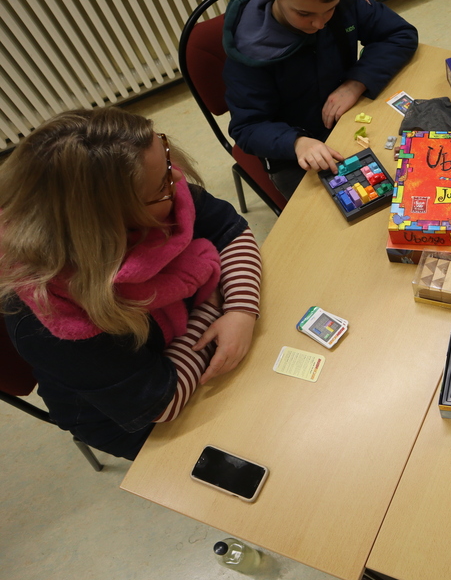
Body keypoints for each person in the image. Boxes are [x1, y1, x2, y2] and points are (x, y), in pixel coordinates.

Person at [1, 108, 262, 460]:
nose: (177, 178)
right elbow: (161, 402)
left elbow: (230, 232)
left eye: (166, 157)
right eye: (161, 186)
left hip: (185, 358)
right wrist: (212, 306)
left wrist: (241, 309)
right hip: (129, 418)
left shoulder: (155, 182)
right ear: (104, 224)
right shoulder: (50, 315)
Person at [222, 0, 418, 199]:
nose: (320, 24)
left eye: (330, 10)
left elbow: (399, 34)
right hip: (292, 150)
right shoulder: (249, 52)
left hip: (346, 118)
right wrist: (296, 143)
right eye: (304, 14)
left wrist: (355, 83)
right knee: (338, 213)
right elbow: (247, 127)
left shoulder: (341, 1)